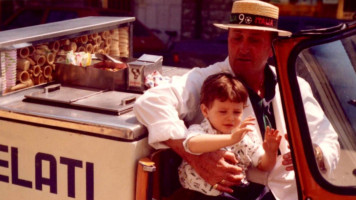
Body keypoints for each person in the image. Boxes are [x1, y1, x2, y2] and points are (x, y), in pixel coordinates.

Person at [134, 0, 340, 199]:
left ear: (272, 48)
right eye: (237, 37)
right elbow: (150, 103)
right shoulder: (210, 80)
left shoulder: (295, 85)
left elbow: (329, 139)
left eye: (254, 39)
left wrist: (314, 154)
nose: (243, 47)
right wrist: (195, 156)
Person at [178, 73, 282, 197]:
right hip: (199, 193)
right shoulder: (200, 131)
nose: (231, 118)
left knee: (266, 193)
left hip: (234, 190)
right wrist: (231, 139)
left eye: (237, 112)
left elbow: (263, 165)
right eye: (223, 112)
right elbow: (191, 145)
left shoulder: (245, 135)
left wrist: (270, 152)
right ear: (205, 111)